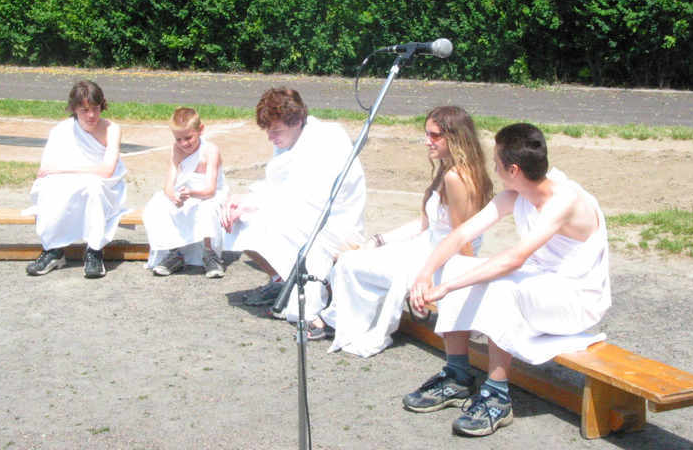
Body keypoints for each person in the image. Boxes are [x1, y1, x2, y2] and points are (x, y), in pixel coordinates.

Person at [405, 123, 610, 437]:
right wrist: (425, 274)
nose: (494, 169)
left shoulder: (564, 200)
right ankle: (457, 375)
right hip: (542, 287)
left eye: (497, 163)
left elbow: (514, 258)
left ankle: (497, 396)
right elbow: (462, 233)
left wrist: (445, 288)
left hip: (577, 300)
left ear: (514, 170)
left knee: (499, 286)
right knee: (458, 266)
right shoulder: (518, 194)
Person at [317, 106, 492, 351]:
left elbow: (461, 237)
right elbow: (426, 223)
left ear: (456, 137)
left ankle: (338, 322)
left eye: (434, 135)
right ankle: (341, 319)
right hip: (427, 247)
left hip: (441, 259)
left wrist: (466, 282)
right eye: (426, 134)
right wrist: (379, 240)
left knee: (348, 262)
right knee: (350, 255)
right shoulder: (449, 169)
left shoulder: (456, 177)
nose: (427, 141)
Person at [221, 88, 366, 325]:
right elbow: (277, 186)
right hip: (303, 214)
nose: (270, 137)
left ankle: (315, 289)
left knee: (258, 220)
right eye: (268, 131)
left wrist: (251, 205)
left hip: (334, 227)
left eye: (275, 131)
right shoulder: (293, 137)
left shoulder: (326, 140)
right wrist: (242, 200)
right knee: (233, 216)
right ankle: (281, 280)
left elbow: (305, 201)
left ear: (297, 121)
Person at [25, 80, 128, 279]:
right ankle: (53, 250)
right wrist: (62, 173)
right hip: (71, 181)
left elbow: (107, 171)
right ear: (74, 108)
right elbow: (46, 171)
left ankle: (94, 251)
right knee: (48, 188)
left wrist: (65, 170)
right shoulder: (61, 131)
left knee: (93, 187)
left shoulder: (112, 129)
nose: (91, 115)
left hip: (105, 185)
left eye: (96, 108)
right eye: (85, 110)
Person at [142, 107, 227, 278]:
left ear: (200, 130)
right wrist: (174, 197)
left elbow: (211, 189)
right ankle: (175, 253)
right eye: (178, 139)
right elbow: (168, 185)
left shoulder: (210, 150)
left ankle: (210, 254)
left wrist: (192, 193)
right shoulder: (176, 149)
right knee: (158, 205)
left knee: (207, 209)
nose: (184, 144)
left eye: (188, 138)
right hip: (185, 192)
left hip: (208, 194)